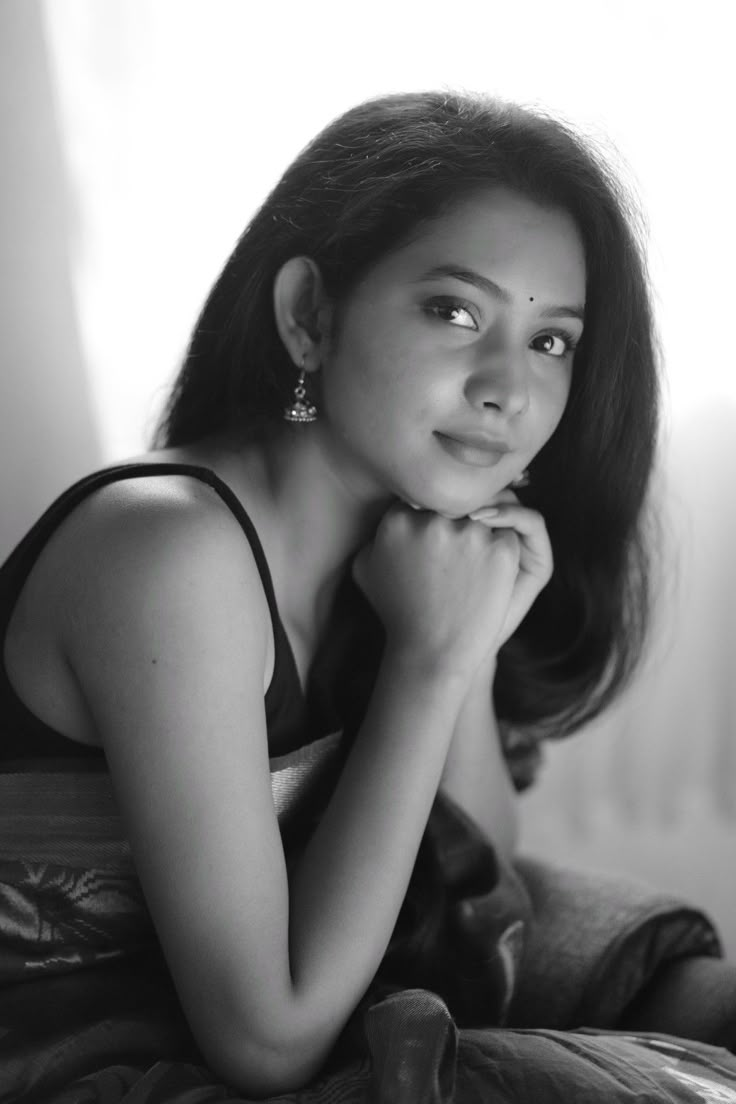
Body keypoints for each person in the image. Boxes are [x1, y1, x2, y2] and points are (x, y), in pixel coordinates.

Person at [1, 89, 735, 1103]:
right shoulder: (168, 551)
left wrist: (460, 639)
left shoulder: (400, 544)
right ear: (310, 317)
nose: (507, 390)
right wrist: (426, 666)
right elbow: (268, 1044)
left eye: (550, 340)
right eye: (453, 311)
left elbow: (479, 890)